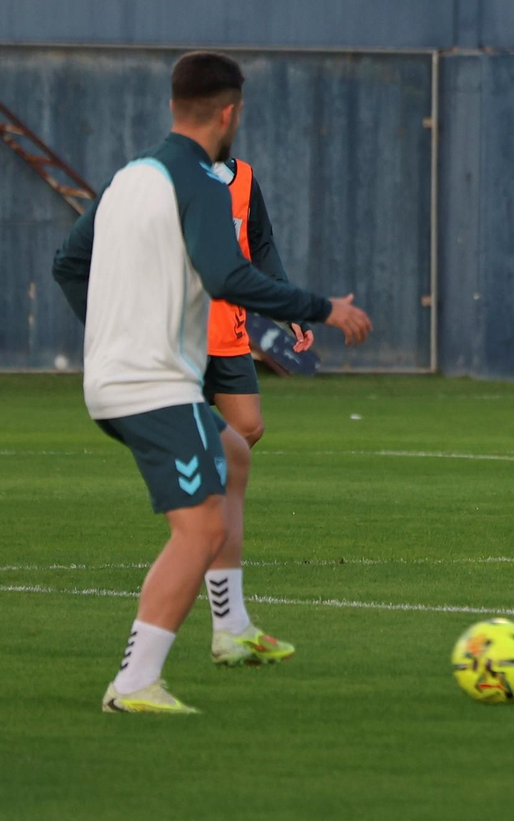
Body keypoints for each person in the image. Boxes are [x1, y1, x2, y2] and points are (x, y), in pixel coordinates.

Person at [52, 51, 373, 713]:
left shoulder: (129, 176)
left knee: (234, 454)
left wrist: (109, 333)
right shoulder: (200, 180)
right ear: (229, 113)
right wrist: (323, 309)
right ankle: (134, 683)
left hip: (121, 377)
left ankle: (231, 629)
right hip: (152, 385)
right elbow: (230, 277)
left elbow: (68, 262)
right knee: (197, 531)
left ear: (176, 104)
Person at [201, 155, 314, 665]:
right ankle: (197, 517)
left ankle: (198, 496)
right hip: (183, 338)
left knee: (248, 428)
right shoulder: (174, 174)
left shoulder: (243, 176)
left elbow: (261, 246)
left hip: (229, 335)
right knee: (220, 452)